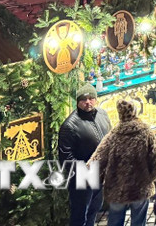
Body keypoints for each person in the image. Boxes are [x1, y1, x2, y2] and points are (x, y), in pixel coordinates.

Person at [89, 99, 156, 226]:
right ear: (135, 111)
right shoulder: (146, 133)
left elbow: (97, 160)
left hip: (117, 190)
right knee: (139, 222)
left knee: (115, 221)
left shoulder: (113, 136)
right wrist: (148, 179)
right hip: (140, 189)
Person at [58, 85, 112, 226]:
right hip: (81, 181)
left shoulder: (102, 114)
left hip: (100, 176)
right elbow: (66, 158)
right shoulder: (69, 126)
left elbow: (110, 138)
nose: (88, 102)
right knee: (80, 216)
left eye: (91, 98)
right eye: (83, 99)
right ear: (77, 102)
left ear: (96, 99)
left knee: (94, 210)